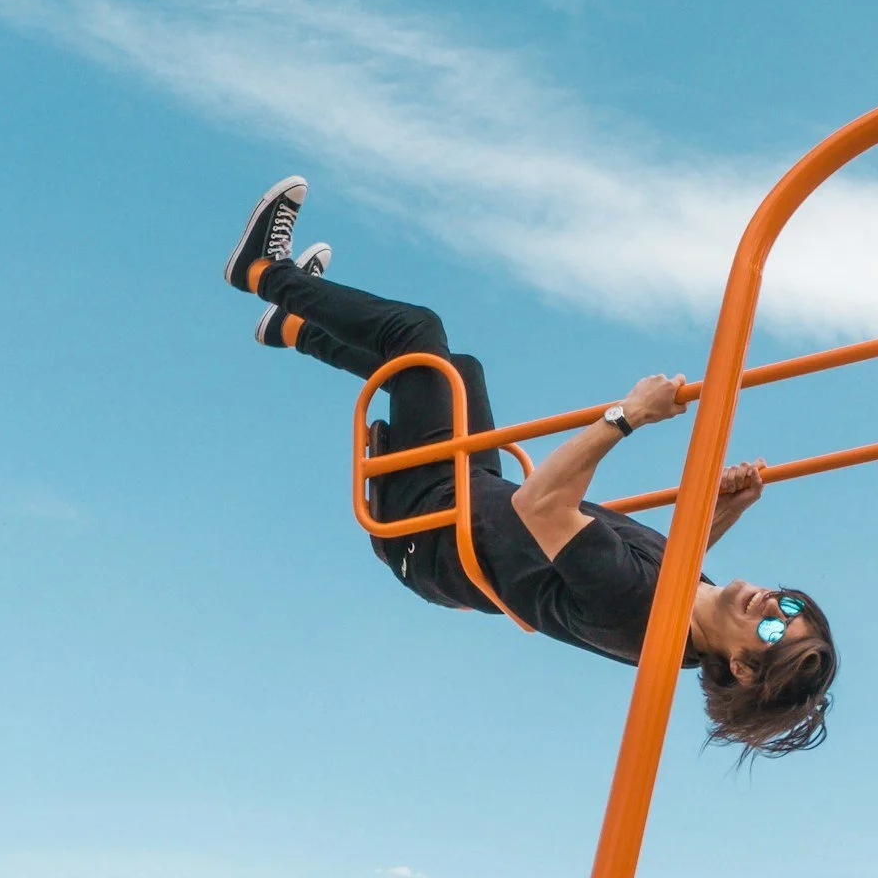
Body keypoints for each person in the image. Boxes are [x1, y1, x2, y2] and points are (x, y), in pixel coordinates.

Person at [225, 176, 837, 758]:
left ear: (739, 665)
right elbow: (667, 553)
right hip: (467, 501)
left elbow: (541, 506)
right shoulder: (685, 606)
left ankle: (259, 271)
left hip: (433, 523)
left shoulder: (638, 611)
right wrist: (723, 508)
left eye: (774, 631)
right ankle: (297, 326)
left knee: (418, 334)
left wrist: (628, 415)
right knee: (456, 372)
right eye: (789, 605)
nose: (771, 605)